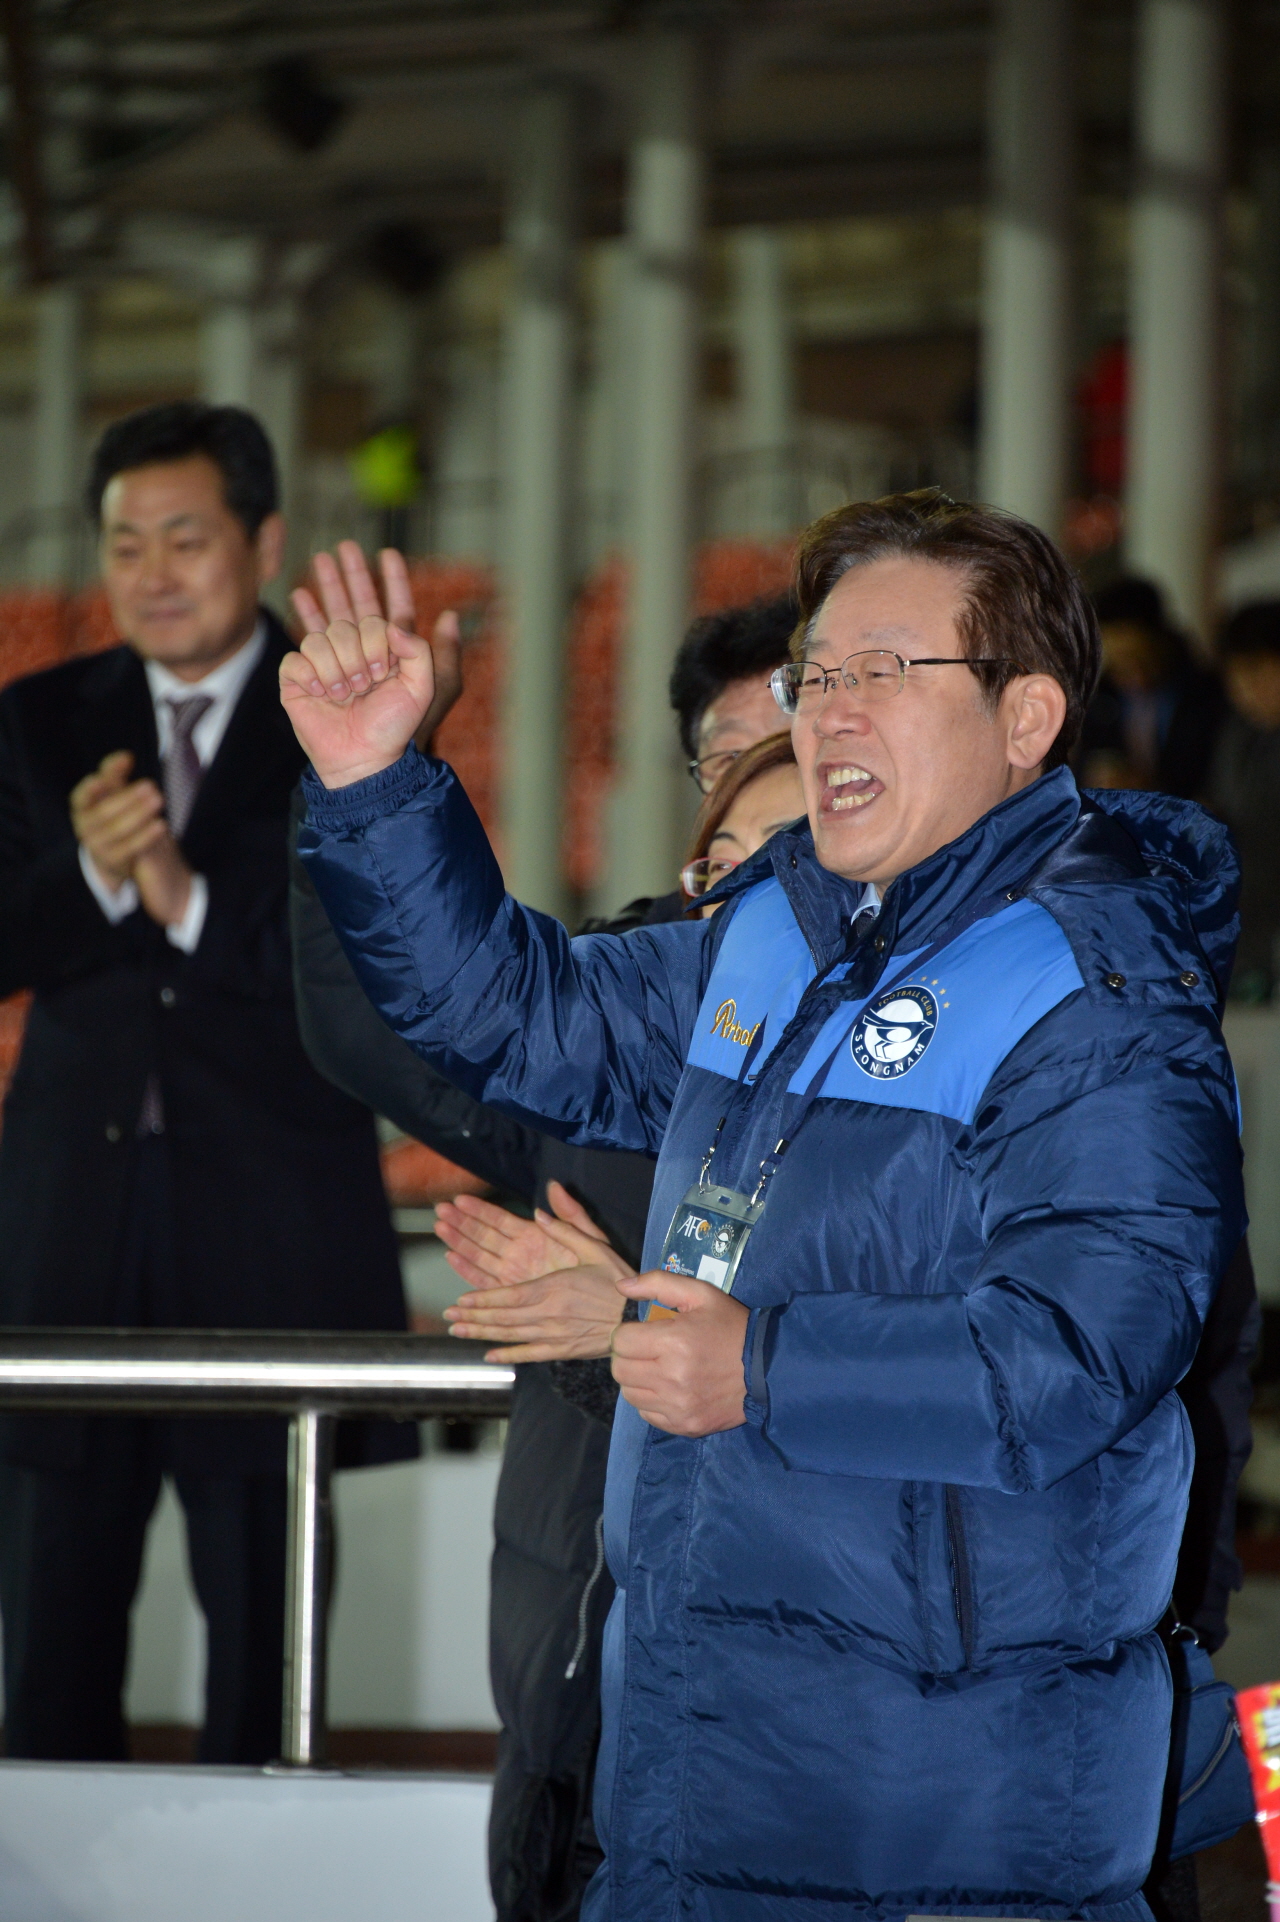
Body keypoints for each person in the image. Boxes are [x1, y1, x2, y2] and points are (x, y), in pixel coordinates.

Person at [285, 488, 1245, 1921]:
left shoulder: (1098, 996)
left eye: (885, 673)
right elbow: (517, 1015)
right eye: (820, 676)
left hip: (937, 1814)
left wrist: (760, 1368)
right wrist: (377, 791)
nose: (830, 714)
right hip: (704, 1756)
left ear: (1028, 715)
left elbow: (1083, 1351)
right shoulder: (781, 930)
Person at [287, 568, 800, 1921]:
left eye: (808, 747)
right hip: (571, 1620)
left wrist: (620, 1323)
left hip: (790, 1682)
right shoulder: (608, 1016)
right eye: (726, 772)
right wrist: (379, 768)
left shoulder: (961, 1059)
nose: (762, 795)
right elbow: (373, 1028)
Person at [0, 402, 416, 1766]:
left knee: (267, 1622)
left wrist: (174, 892)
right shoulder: (39, 719)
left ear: (263, 538)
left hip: (268, 1230)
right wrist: (92, 878)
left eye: (187, 536)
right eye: (126, 544)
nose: (155, 571)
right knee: (51, 1616)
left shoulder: (348, 715)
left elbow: (370, 958)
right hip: (75, 1232)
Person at [1078, 576, 1225, 796]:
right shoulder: (1101, 700)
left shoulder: (1208, 695)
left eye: (1142, 657)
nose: (1135, 674)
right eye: (1120, 662)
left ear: (1161, 639)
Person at [1205, 600, 1280, 1003]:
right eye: (1236, 677)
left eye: (1257, 672)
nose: (1246, 690)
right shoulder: (1238, 737)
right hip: (1250, 922)